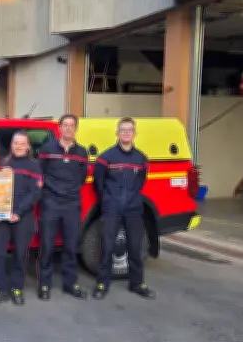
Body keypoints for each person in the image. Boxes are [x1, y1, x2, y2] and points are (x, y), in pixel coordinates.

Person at [92, 117, 156, 300]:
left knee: (135, 247)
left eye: (130, 130)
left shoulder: (141, 158)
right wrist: (108, 200)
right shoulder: (106, 157)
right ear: (117, 133)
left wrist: (132, 199)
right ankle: (102, 284)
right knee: (107, 246)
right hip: (111, 208)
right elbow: (99, 183)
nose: (126, 133)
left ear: (135, 133)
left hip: (134, 209)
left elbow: (141, 181)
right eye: (123, 130)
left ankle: (137, 284)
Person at [0, 131, 42, 307]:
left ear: (28, 146)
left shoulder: (34, 166)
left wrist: (18, 212)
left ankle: (17, 288)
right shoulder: (4, 163)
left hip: (22, 218)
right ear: (11, 145)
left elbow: (35, 194)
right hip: (1, 217)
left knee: (19, 255)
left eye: (22, 143)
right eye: (15, 143)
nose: (18, 146)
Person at [37, 113, 89, 301]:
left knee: (70, 246)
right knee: (47, 246)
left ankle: (70, 284)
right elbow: (40, 174)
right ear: (59, 128)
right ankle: (44, 284)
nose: (68, 128)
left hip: (72, 204)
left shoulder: (82, 153)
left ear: (76, 128)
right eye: (65, 125)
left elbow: (82, 178)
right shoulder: (47, 149)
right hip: (50, 203)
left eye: (72, 125)